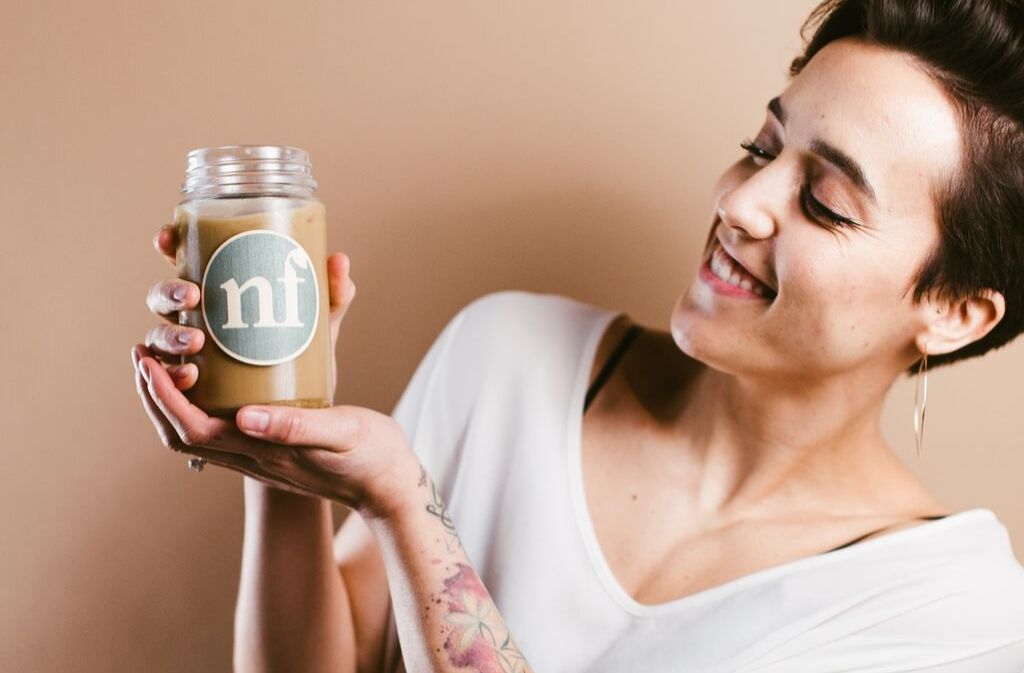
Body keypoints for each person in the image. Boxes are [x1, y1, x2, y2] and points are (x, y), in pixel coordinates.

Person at [132, 0, 1024, 670]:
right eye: (760, 147)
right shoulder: (506, 358)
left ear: (954, 310)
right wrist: (280, 429)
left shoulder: (952, 608)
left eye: (825, 203)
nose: (739, 201)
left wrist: (407, 507)